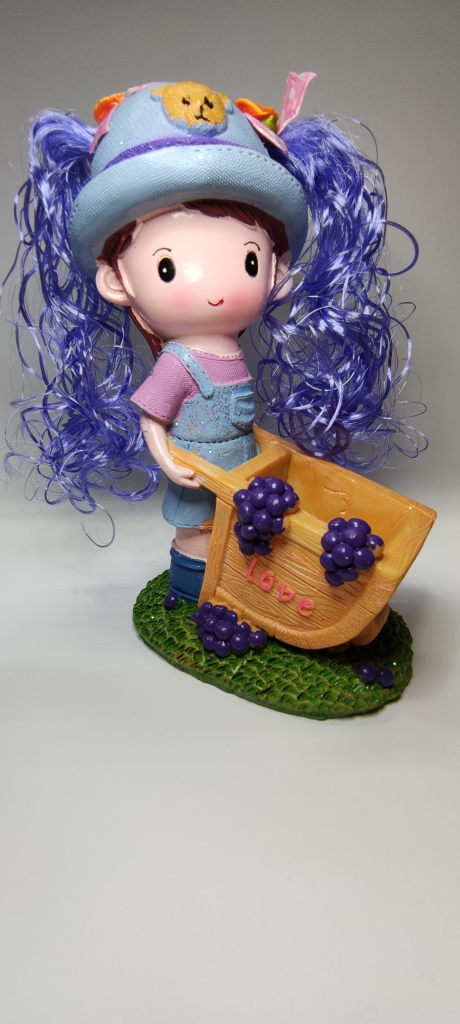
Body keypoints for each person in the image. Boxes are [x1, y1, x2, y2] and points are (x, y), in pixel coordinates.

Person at [4, 74, 421, 599]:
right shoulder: (177, 363)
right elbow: (152, 418)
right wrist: (169, 462)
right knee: (198, 532)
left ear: (277, 273)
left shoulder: (227, 352)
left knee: (246, 536)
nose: (215, 287)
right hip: (198, 470)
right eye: (169, 266)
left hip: (242, 466)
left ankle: (238, 593)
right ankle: (190, 596)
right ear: (117, 280)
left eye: (249, 261)